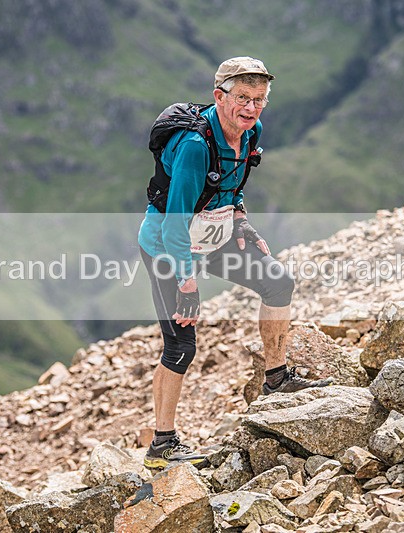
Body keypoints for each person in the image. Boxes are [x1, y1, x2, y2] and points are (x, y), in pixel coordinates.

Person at [138, 56, 331, 469]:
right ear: (219, 96)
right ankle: (162, 444)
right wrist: (188, 284)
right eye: (242, 97)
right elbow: (175, 221)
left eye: (259, 99)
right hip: (167, 246)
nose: (251, 107)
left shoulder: (251, 131)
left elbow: (231, 187)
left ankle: (276, 379)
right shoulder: (194, 146)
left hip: (215, 237)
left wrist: (241, 222)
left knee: (278, 283)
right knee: (181, 344)